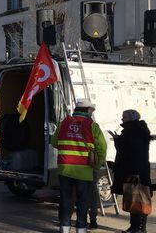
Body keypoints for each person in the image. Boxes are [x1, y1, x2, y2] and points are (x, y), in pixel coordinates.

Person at [50, 99, 106, 233]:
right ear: (88, 110)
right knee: (82, 200)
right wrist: (97, 165)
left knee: (66, 199)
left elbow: (54, 142)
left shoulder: (63, 123)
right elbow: (102, 148)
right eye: (91, 110)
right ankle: (81, 228)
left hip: (64, 168)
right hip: (84, 170)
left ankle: (64, 227)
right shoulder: (92, 126)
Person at [110, 109, 152, 233]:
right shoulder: (138, 129)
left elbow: (129, 151)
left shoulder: (132, 131)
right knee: (138, 199)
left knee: (136, 200)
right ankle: (137, 228)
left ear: (130, 118)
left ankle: (137, 228)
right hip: (140, 170)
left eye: (124, 117)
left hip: (134, 171)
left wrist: (117, 140)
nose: (122, 119)